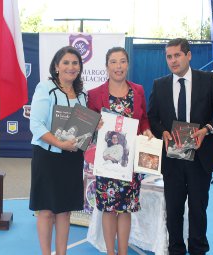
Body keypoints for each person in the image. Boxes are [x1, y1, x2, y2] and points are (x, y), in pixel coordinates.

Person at [147, 38, 213, 255]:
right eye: (169, 56)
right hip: (172, 159)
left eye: (177, 55)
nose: (173, 60)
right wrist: (162, 132)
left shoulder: (208, 80)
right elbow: (153, 117)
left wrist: (207, 129)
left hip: (200, 157)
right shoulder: (160, 84)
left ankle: (198, 249)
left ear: (188, 55)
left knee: (198, 209)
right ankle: (175, 250)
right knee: (173, 210)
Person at [87, 47, 153, 255]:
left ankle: (122, 252)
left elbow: (143, 119)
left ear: (128, 64)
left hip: (129, 161)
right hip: (106, 163)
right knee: (108, 209)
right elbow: (88, 129)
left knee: (125, 209)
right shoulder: (95, 94)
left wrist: (147, 130)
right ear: (106, 66)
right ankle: (110, 252)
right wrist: (94, 126)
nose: (118, 66)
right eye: (113, 62)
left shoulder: (138, 91)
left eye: (122, 61)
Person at [29, 46, 87, 255]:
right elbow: (35, 125)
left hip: (72, 158)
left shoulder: (82, 95)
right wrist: (59, 144)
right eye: (66, 63)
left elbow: (83, 130)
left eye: (75, 63)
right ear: (56, 66)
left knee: (64, 211)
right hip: (47, 156)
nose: (71, 67)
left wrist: (93, 127)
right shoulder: (45, 88)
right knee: (45, 211)